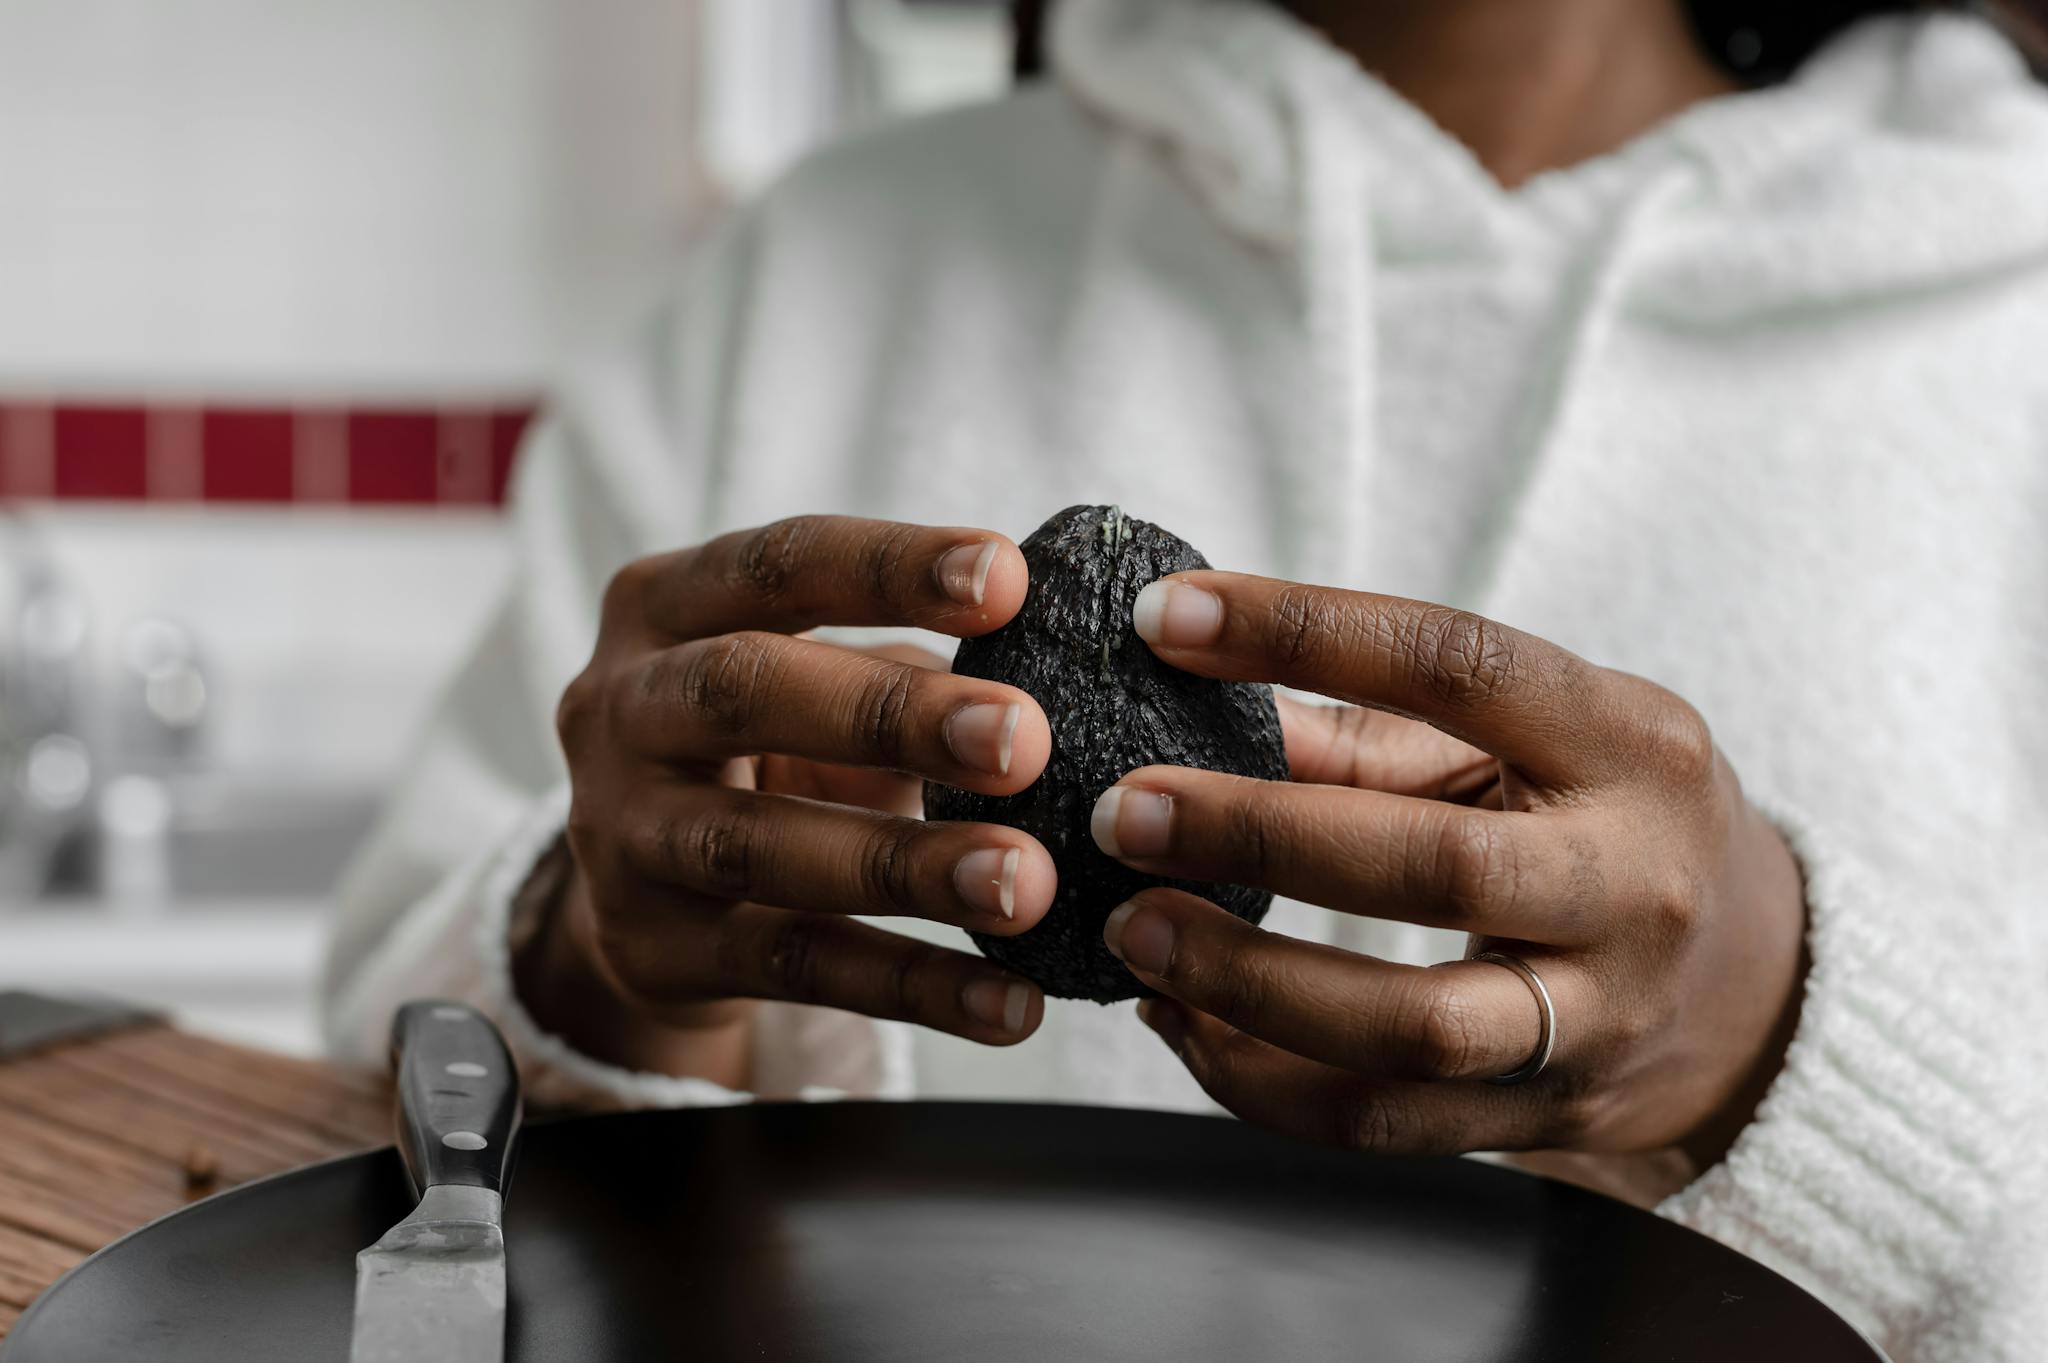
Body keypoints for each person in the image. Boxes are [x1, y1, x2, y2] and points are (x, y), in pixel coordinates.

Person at [321, 0, 2048, 1356]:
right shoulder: (817, 267)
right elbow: (365, 1114)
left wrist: (1789, 1051)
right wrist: (601, 971)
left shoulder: (2006, 331)